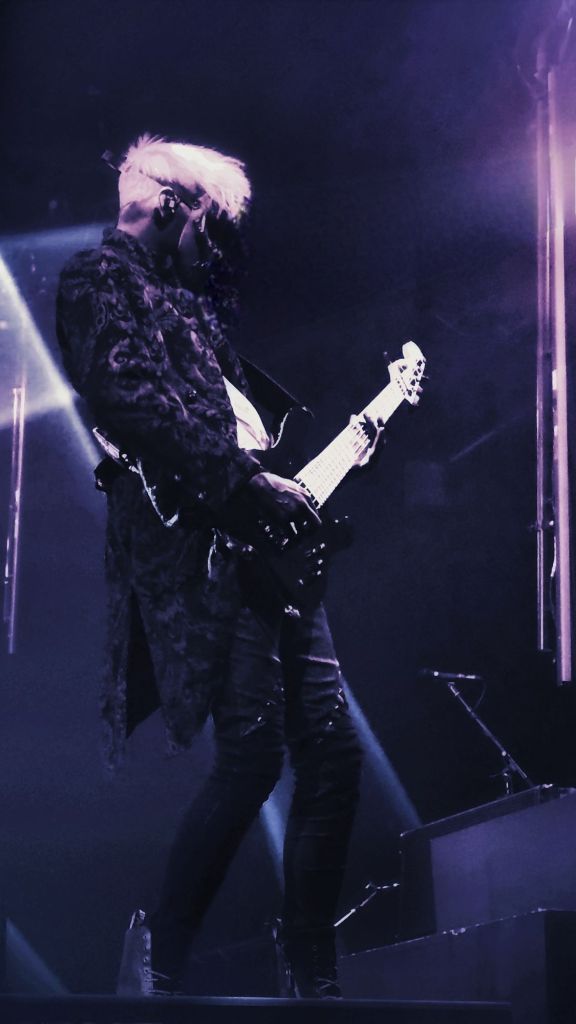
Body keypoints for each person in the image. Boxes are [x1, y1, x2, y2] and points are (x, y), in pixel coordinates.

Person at [56, 134, 377, 998]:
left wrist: (305, 467)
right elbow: (125, 399)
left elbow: (245, 435)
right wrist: (241, 482)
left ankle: (311, 969)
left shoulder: (189, 309)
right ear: (171, 207)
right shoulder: (98, 280)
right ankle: (159, 961)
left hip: (266, 556)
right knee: (253, 759)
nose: (215, 244)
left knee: (333, 755)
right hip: (206, 559)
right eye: (209, 222)